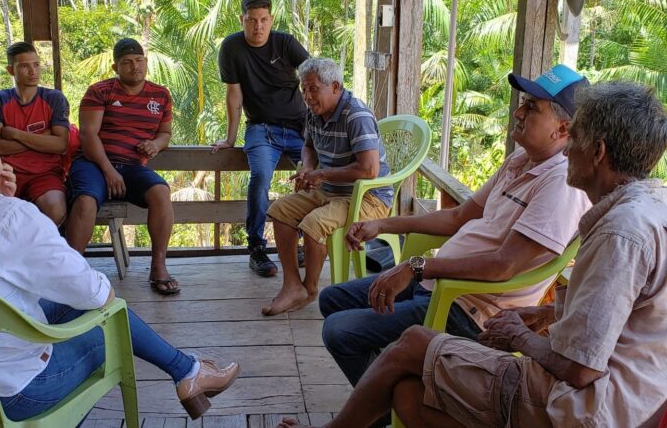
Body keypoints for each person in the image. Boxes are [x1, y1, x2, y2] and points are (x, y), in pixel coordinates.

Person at [276, 81, 667, 428]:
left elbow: (580, 368)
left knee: (401, 346)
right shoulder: (638, 209)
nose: (568, 152)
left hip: (575, 405)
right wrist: (548, 314)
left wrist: (519, 335)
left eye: (575, 139)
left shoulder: (619, 232)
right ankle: (374, 399)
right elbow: (619, 319)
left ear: (596, 151)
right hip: (572, 382)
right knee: (403, 387)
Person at [0, 111, 240, 422]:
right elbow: (97, 294)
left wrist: (1, 198)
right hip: (15, 391)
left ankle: (188, 371)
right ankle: (187, 373)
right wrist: (6, 206)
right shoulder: (8, 217)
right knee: (112, 324)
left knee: (64, 304)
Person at [317, 65, 591, 418]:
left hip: (467, 308)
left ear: (563, 128)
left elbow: (503, 265)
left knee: (339, 331)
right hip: (436, 283)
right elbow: (458, 218)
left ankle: (379, 413)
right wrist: (382, 223)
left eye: (532, 108)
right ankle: (382, 391)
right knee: (332, 299)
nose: (518, 112)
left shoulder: (560, 186)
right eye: (522, 102)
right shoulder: (519, 161)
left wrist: (415, 267)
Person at [261, 57, 394, 316]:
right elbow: (309, 147)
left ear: (335, 87)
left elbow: (369, 170)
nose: (307, 96)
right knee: (280, 210)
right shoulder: (314, 112)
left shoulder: (356, 115)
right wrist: (308, 168)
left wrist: (322, 174)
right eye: (304, 89)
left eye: (313, 88)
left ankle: (310, 290)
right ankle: (292, 285)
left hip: (368, 197)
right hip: (331, 189)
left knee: (313, 225)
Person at [64, 38, 179, 295]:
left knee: (161, 192)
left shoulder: (160, 95)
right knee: (85, 201)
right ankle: (69, 274)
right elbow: (88, 136)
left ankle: (158, 266)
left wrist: (156, 144)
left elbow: (165, 133)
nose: (134, 66)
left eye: (139, 61)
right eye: (127, 63)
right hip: (94, 163)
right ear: (116, 67)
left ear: (146, 62)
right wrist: (108, 170)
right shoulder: (100, 91)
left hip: (133, 167)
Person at [213, 0, 309, 277]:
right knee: (259, 179)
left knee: (312, 175)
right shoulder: (232, 47)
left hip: (298, 126)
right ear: (242, 19)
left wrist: (319, 128)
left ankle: (301, 241)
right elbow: (234, 95)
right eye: (252, 20)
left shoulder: (286, 43)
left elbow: (314, 78)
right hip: (261, 128)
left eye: (264, 20)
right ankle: (257, 248)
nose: (258, 27)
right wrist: (230, 139)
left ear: (271, 19)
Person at [0, 41, 71, 226]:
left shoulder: (54, 98)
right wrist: (43, 137)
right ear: (11, 70)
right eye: (24, 66)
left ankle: (39, 251)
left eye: (36, 64)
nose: (33, 71)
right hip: (5, 172)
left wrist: (16, 134)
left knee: (56, 210)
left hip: (44, 173)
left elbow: (60, 144)